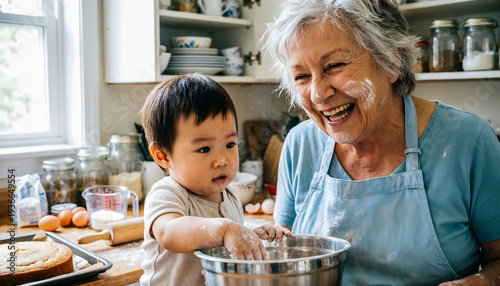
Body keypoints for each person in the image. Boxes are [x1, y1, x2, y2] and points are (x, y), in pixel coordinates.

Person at [263, 0, 500, 284]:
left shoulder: (466, 141)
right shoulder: (300, 146)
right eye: (301, 76)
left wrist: (474, 283)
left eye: (335, 65)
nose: (318, 94)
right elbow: (284, 255)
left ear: (391, 62)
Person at [139, 74, 291, 286]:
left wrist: (249, 236)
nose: (222, 161)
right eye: (204, 149)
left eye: (230, 144)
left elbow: (222, 242)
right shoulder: (167, 193)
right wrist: (226, 230)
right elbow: (169, 232)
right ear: (163, 156)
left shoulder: (229, 195)